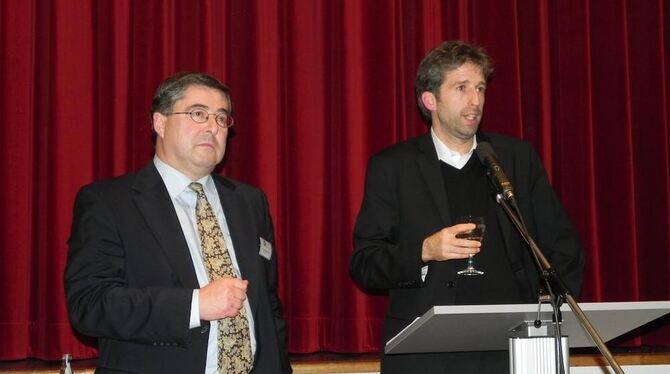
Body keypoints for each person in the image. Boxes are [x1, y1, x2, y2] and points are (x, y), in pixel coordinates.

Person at [350, 40, 585, 373]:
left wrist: (548, 309)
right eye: (461, 88)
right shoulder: (393, 167)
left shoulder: (514, 159)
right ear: (430, 99)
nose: (476, 101)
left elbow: (562, 245)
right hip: (427, 353)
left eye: (480, 88)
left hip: (511, 348)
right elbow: (365, 263)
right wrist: (423, 250)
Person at [65, 72, 292, 374]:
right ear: (160, 123)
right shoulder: (109, 202)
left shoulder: (249, 202)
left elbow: (267, 306)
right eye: (198, 114)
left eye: (221, 118)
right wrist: (195, 305)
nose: (212, 127)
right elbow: (90, 305)